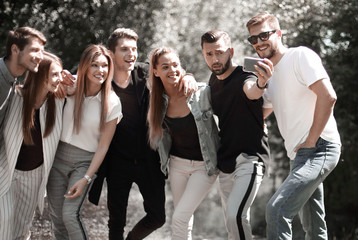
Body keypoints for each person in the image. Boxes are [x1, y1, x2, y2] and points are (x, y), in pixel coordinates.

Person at [88, 28, 197, 240]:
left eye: (134, 49)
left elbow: (170, 72)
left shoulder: (145, 72)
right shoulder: (103, 79)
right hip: (117, 161)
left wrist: (189, 76)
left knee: (157, 217)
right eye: (124, 50)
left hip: (149, 158)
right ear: (111, 54)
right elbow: (81, 77)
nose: (131, 54)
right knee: (116, 220)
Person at [246, 12, 341, 240]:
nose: (259, 43)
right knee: (314, 226)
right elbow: (262, 113)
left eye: (264, 35)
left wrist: (310, 141)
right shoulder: (269, 74)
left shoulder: (300, 56)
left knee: (276, 210)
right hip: (298, 155)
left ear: (278, 33)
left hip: (319, 147)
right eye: (253, 39)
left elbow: (328, 97)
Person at [200, 30, 271, 240]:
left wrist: (261, 83)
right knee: (234, 224)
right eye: (209, 54)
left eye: (220, 53)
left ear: (230, 51)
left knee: (235, 216)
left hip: (250, 159)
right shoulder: (212, 82)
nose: (215, 59)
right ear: (203, 54)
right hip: (226, 163)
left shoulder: (245, 75)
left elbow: (252, 90)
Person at [46, 44, 122, 240]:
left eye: (104, 66)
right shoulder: (72, 84)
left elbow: (104, 146)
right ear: (85, 66)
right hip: (57, 158)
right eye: (94, 65)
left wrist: (87, 178)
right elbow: (50, 84)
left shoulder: (112, 102)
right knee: (56, 217)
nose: (100, 71)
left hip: (84, 163)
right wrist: (60, 78)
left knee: (70, 215)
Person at [147, 46, 219, 239]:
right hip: (177, 165)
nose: (172, 70)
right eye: (165, 67)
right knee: (183, 219)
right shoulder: (156, 100)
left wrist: (189, 75)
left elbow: (228, 112)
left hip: (204, 166)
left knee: (179, 217)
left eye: (175, 65)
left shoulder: (201, 93)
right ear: (155, 71)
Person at [0, 51, 64, 239]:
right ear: (39, 74)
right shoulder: (15, 96)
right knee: (3, 222)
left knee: (21, 229)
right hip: (5, 171)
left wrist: (70, 78)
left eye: (60, 74)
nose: (59, 79)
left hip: (34, 175)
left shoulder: (59, 100)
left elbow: (87, 84)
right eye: (54, 74)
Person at [0, 26, 46, 129]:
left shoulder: (11, 79)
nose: (41, 57)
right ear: (15, 50)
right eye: (34, 50)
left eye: (42, 52)